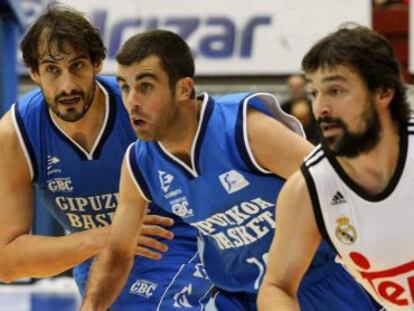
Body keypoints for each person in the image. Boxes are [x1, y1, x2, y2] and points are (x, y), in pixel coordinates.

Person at [81, 29, 378, 311]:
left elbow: (343, 185)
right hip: (236, 293)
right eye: (124, 87)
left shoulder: (246, 131)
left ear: (183, 89)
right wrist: (91, 306)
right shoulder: (139, 164)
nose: (132, 101)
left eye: (145, 86)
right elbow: (119, 253)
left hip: (314, 280)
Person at [0, 4, 213, 310]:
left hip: (172, 240)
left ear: (97, 64)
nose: (67, 85)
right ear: (34, 72)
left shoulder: (139, 107)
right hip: (95, 255)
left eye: (77, 66)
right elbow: (7, 262)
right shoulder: (15, 132)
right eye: (51, 69)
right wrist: (108, 237)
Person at [257, 25, 412, 311]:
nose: (320, 108)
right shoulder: (307, 188)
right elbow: (276, 287)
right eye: (314, 93)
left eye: (335, 90)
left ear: (383, 92)